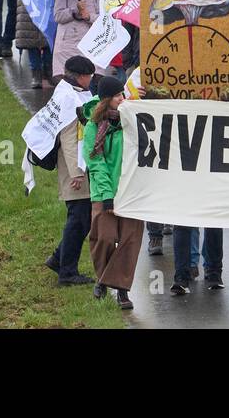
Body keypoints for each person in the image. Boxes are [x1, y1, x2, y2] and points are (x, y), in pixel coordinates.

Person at [83, 75, 143, 310]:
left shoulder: (132, 120)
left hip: (131, 192)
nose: (122, 98)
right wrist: (107, 194)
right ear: (106, 99)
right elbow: (96, 162)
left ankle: (121, 290)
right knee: (104, 238)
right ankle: (104, 278)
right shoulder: (93, 126)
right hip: (104, 192)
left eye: (123, 94)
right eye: (117, 95)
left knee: (130, 240)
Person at [44, 55, 95, 286]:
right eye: (89, 76)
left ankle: (58, 259)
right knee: (79, 220)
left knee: (82, 220)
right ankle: (67, 272)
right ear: (80, 77)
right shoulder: (69, 99)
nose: (91, 79)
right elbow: (69, 138)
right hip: (75, 170)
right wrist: (76, 173)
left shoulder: (71, 91)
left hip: (80, 167)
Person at [53, 0, 99, 82]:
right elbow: (58, 16)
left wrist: (89, 17)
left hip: (89, 43)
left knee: (89, 82)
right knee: (69, 83)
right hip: (68, 45)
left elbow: (103, 18)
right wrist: (75, 11)